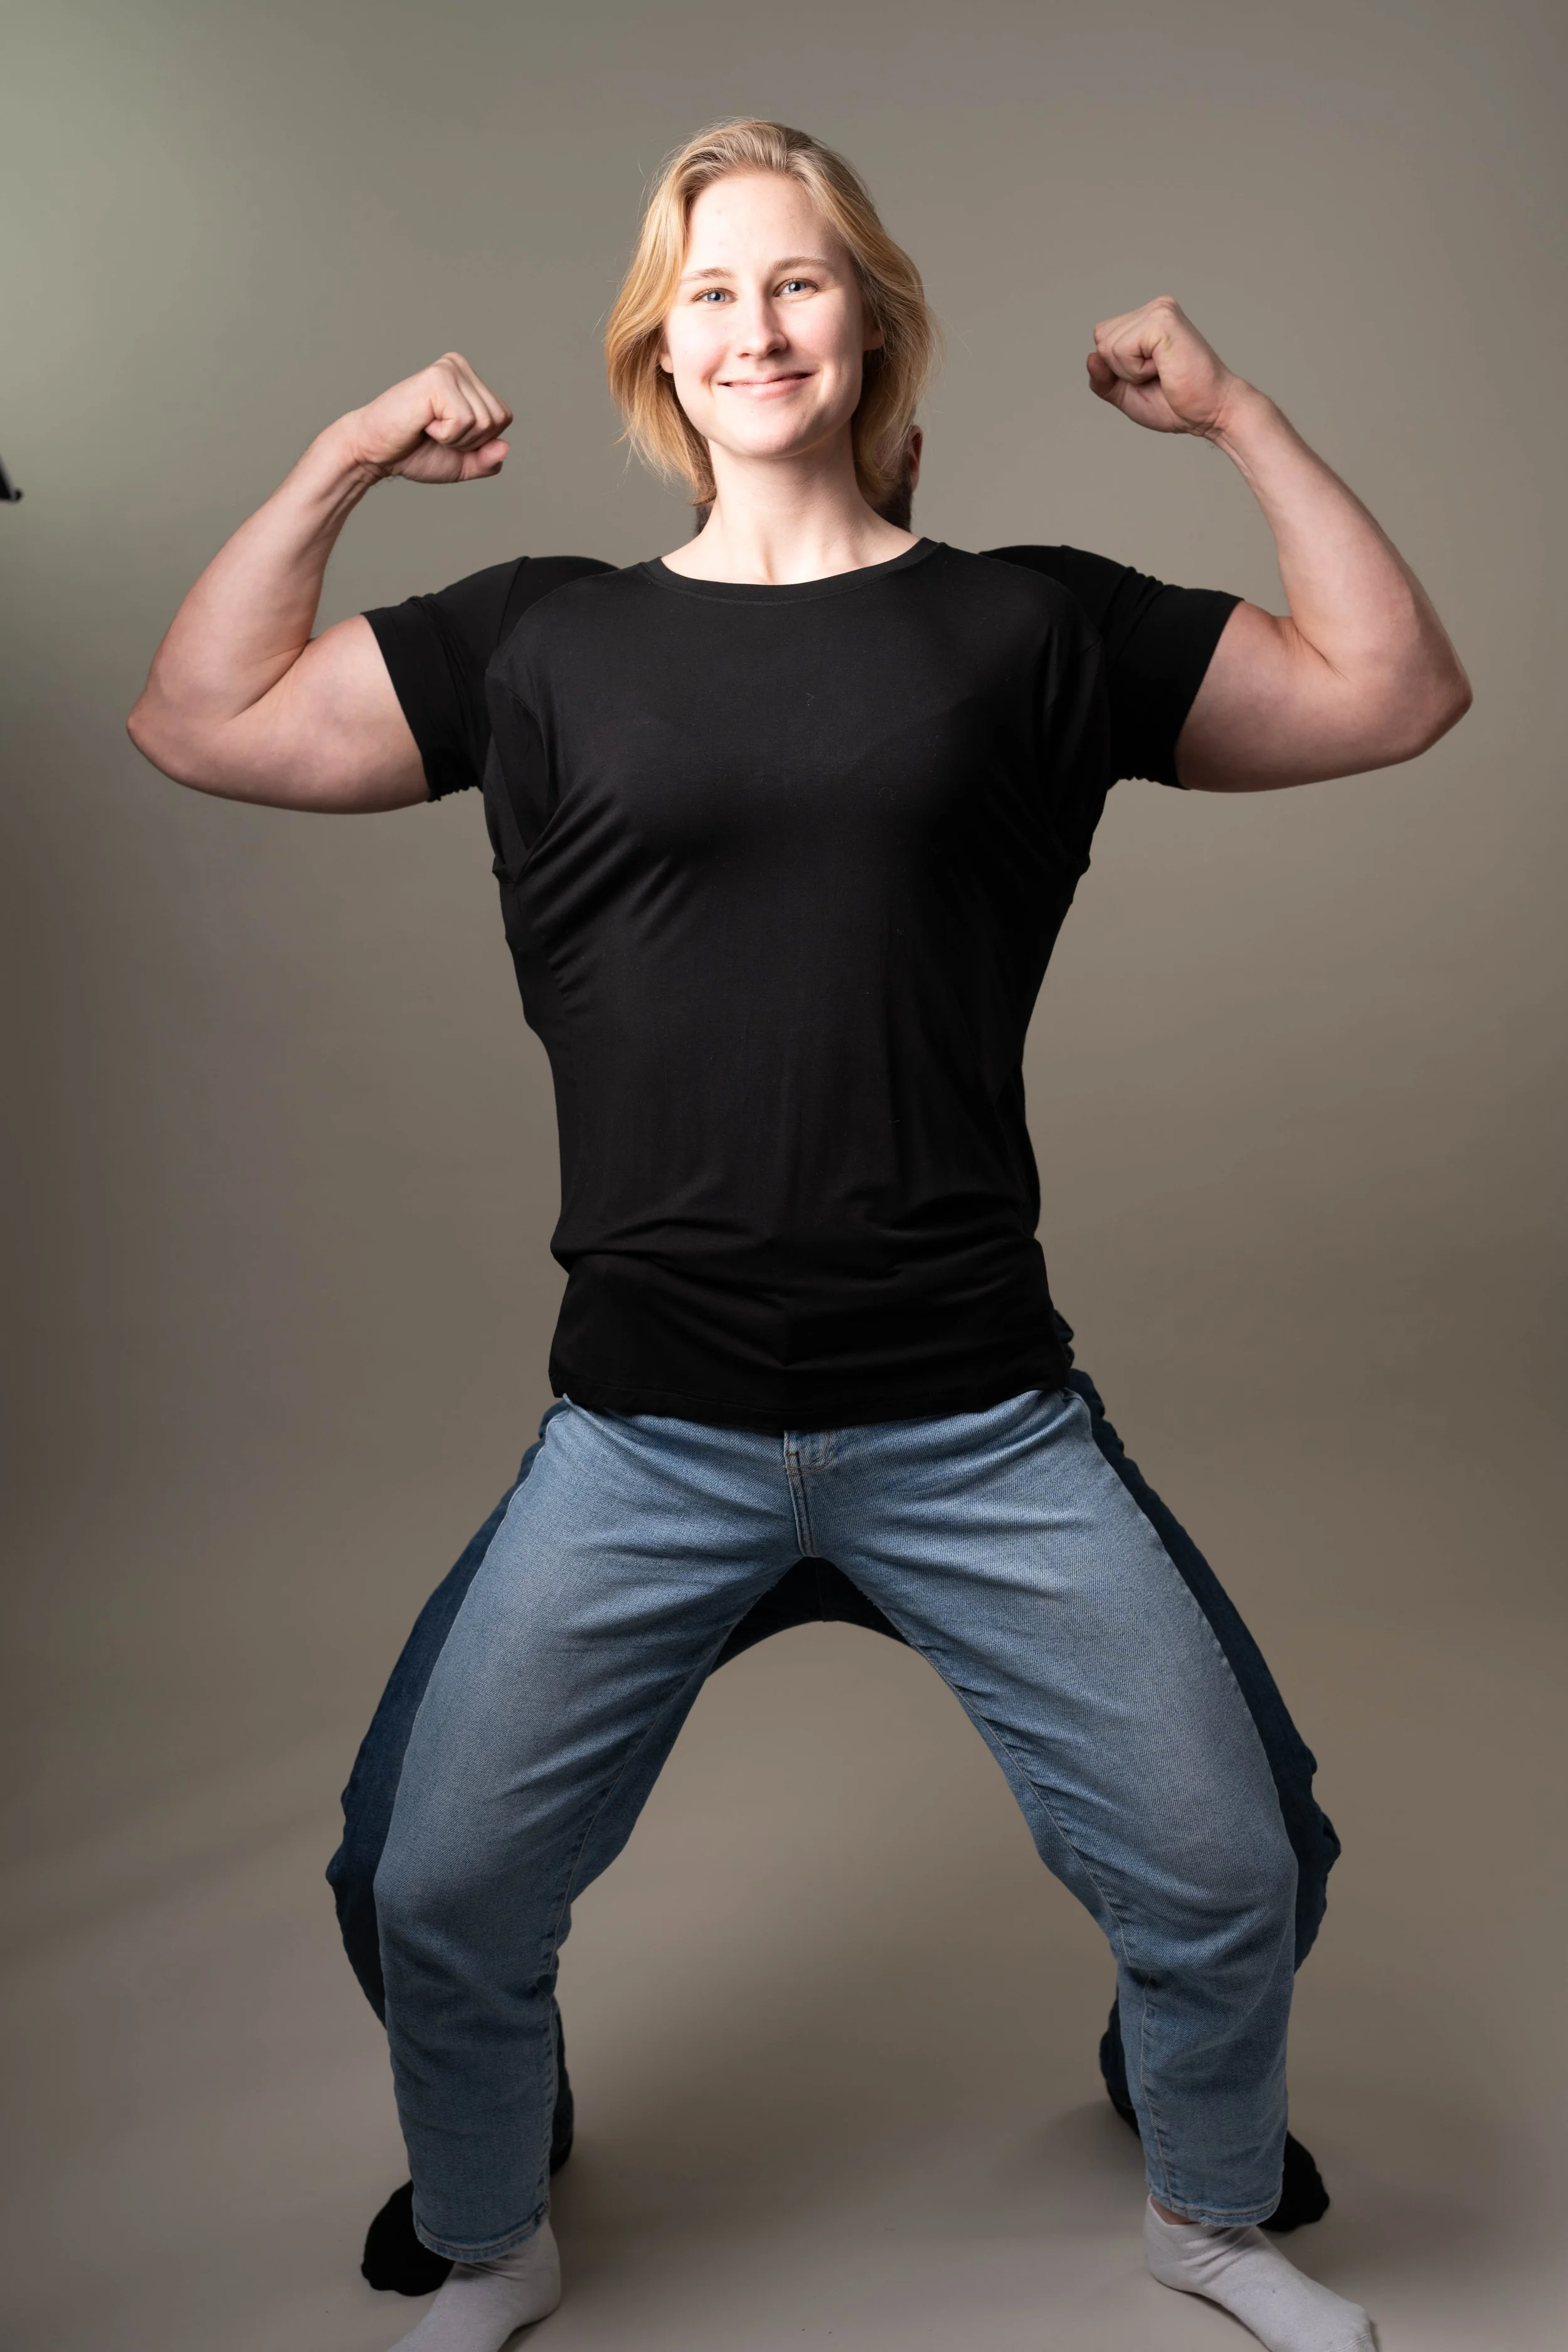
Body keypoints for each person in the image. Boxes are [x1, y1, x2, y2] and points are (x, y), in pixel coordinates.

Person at [129, 119, 1468, 2352]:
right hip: (647, 1428)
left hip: (975, 1417)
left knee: (1246, 1866)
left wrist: (1235, 415)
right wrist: (352, 450)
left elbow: (1388, 689)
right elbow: (201, 718)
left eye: (800, 281)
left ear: (867, 324)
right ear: (662, 340)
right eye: (712, 285)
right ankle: (495, 2221)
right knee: (425, 1881)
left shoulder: (1023, 620)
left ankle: (1204, 2202)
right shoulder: (544, 635)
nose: (756, 322)